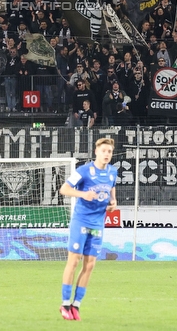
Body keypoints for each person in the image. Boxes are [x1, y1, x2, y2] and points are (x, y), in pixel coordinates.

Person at [59, 137, 118, 321]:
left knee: (90, 265)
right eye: (104, 151)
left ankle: (76, 305)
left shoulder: (112, 172)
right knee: (74, 261)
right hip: (81, 221)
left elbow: (112, 189)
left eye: (109, 151)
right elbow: (64, 189)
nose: (107, 154)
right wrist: (83, 194)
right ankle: (64, 303)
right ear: (96, 152)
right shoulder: (84, 171)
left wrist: (113, 202)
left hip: (97, 223)